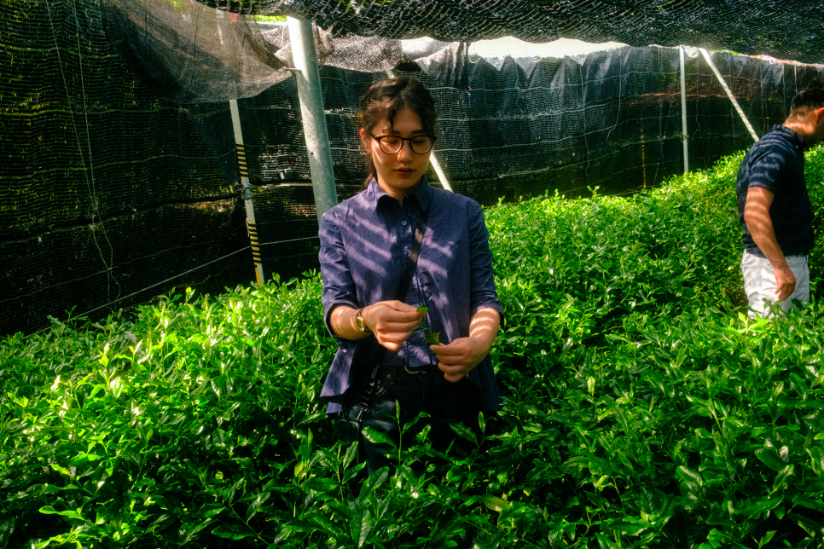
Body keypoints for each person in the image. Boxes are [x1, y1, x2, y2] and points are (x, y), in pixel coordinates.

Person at [317, 76, 503, 476]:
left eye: (418, 140)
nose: (405, 155)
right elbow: (336, 312)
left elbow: (484, 297)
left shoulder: (464, 213)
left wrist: (480, 343)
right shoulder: (339, 223)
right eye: (391, 139)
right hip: (379, 393)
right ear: (367, 139)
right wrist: (366, 318)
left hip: (456, 386)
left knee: (461, 517)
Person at [736, 84, 824, 317]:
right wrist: (781, 267)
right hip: (771, 267)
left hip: (782, 262)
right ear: (821, 115)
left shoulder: (787, 147)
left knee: (792, 341)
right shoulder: (777, 150)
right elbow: (754, 213)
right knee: (771, 346)